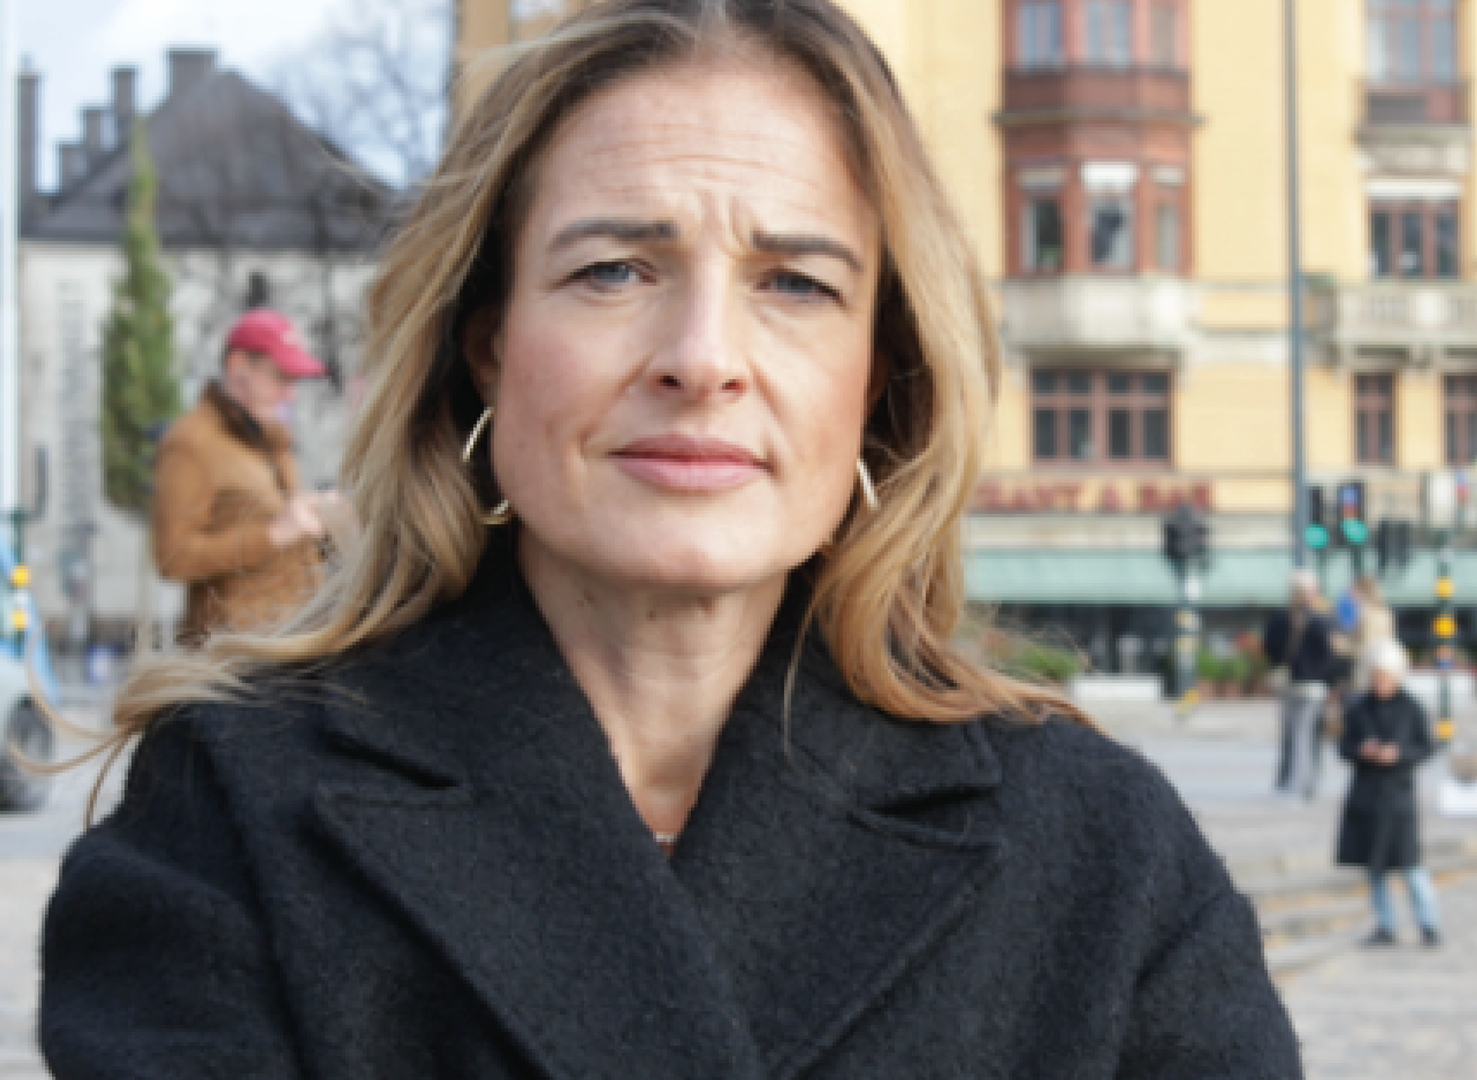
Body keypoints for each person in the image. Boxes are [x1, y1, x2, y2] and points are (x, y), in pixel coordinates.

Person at [38, 4, 1305, 1075]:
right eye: (613, 270)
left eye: (795, 283)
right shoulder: (232, 813)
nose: (703, 359)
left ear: (880, 377)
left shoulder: (1108, 859)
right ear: (487, 348)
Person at [151, 309, 348, 643]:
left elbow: (289, 537)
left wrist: (327, 522)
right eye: (281, 378)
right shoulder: (190, 444)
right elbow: (173, 558)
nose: (291, 394)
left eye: (294, 381)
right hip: (234, 656)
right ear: (238, 366)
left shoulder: (272, 439)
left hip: (288, 643)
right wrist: (274, 533)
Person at [1337, 639, 1441, 948]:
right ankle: (1385, 925)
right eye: (1376, 676)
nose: (1380, 682)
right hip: (1366, 796)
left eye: (1385, 676)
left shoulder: (1412, 708)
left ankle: (1429, 924)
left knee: (1411, 865)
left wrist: (1399, 754)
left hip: (1398, 796)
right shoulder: (1359, 707)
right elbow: (1343, 746)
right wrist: (1362, 750)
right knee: (1375, 867)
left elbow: (1427, 746)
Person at [1265, 569, 1338, 799]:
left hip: (1289, 683)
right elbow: (1330, 653)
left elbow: (1269, 647)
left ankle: (1290, 781)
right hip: (1314, 685)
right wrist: (1331, 680)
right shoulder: (1321, 618)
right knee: (1306, 736)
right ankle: (1304, 784)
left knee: (1293, 734)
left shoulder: (1281, 618)